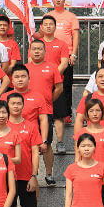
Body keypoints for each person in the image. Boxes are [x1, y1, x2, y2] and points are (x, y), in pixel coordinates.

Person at [6, 93, 44, 207]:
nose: (16, 106)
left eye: (19, 103)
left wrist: (34, 175)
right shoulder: (1, 127)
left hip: (26, 177)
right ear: (7, 105)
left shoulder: (31, 126)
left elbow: (35, 153)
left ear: (23, 105)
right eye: (13, 103)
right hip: (7, 178)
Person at [26, 39, 64, 183]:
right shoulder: (24, 68)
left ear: (45, 51)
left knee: (46, 144)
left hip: (46, 111)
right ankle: (29, 173)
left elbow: (59, 88)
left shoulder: (52, 67)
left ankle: (48, 174)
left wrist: (47, 101)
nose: (37, 51)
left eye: (39, 49)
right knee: (27, 144)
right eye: (34, 49)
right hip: (27, 112)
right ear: (30, 51)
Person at [43, 0, 80, 132]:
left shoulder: (71, 16)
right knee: (49, 85)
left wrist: (74, 54)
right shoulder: (48, 16)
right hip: (49, 56)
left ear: (64, 0)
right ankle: (49, 110)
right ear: (52, 0)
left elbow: (75, 36)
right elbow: (42, 33)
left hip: (67, 55)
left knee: (66, 85)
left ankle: (67, 114)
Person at [36, 14, 70, 163]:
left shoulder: (62, 44)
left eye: (51, 24)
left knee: (58, 115)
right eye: (46, 24)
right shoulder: (37, 44)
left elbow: (64, 63)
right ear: (41, 27)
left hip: (56, 85)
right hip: (39, 85)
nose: (48, 26)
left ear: (55, 27)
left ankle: (60, 142)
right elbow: (31, 62)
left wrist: (52, 76)